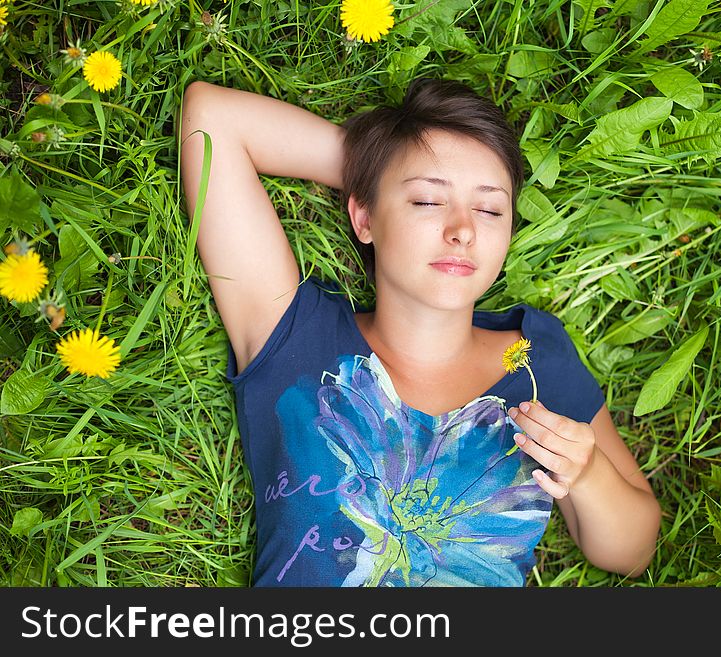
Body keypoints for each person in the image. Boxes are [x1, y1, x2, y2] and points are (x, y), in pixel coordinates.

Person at [178, 77, 661, 587]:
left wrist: (585, 475)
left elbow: (632, 552)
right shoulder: (292, 334)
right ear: (362, 218)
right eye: (429, 202)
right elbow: (214, 119)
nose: (463, 228)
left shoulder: (537, 365)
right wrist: (381, 167)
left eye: (491, 208)